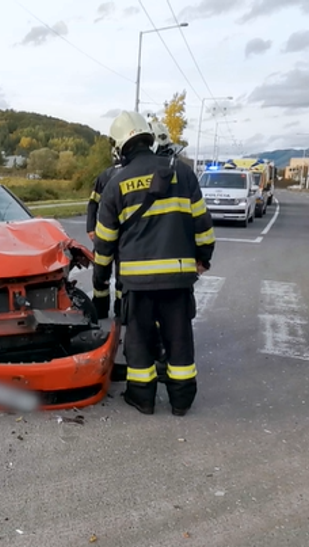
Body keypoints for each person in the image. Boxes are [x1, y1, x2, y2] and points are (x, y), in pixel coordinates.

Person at [92, 111, 216, 416]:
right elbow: (203, 225)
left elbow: (104, 243)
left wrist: (100, 281)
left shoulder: (116, 184)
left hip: (137, 284)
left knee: (139, 341)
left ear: (120, 146)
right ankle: (181, 401)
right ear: (148, 138)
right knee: (179, 339)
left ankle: (142, 398)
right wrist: (203, 257)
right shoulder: (183, 174)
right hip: (177, 279)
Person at [86, 144, 123, 319]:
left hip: (105, 234)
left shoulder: (105, 175)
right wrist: (90, 228)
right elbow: (93, 202)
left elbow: (92, 203)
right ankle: (120, 311)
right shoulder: (108, 175)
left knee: (101, 273)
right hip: (122, 235)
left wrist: (91, 228)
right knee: (121, 275)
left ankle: (101, 310)